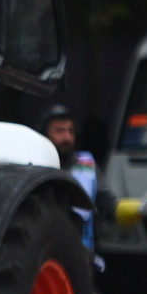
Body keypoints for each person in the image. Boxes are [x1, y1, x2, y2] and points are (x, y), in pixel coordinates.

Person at [42, 104, 98, 250]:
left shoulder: (86, 164)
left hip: (82, 256)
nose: (67, 137)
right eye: (60, 131)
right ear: (44, 134)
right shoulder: (35, 164)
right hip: (46, 255)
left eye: (71, 131)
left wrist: (137, 210)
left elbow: (109, 206)